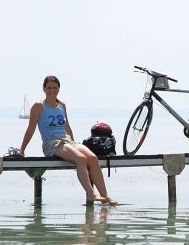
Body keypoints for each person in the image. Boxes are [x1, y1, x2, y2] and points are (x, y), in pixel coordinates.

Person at [20, 75, 117, 205]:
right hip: (52, 142)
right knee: (80, 159)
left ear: (58, 89)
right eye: (49, 87)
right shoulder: (39, 106)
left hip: (67, 141)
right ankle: (91, 194)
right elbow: (31, 128)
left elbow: (67, 126)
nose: (52, 90)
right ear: (44, 89)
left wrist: (74, 143)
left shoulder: (62, 105)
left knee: (92, 158)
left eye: (55, 88)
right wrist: (22, 149)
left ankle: (105, 196)